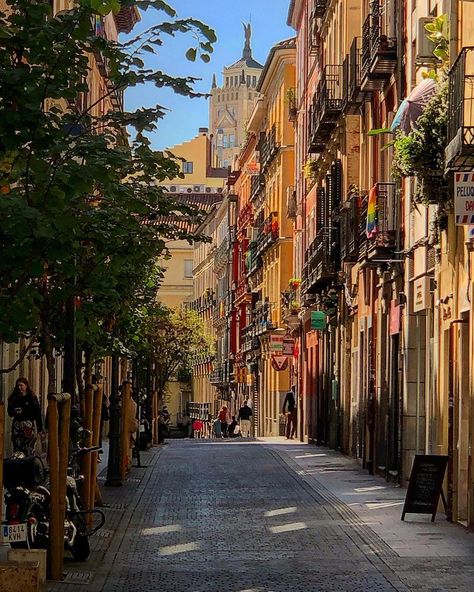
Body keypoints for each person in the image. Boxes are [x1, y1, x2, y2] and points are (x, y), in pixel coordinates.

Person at [7, 377, 45, 454]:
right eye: (18, 386)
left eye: (21, 385)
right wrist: (15, 411)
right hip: (17, 427)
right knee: (17, 448)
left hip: (29, 427)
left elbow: (37, 413)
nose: (19, 388)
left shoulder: (32, 398)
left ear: (26, 386)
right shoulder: (13, 398)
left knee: (29, 447)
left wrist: (40, 429)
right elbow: (10, 412)